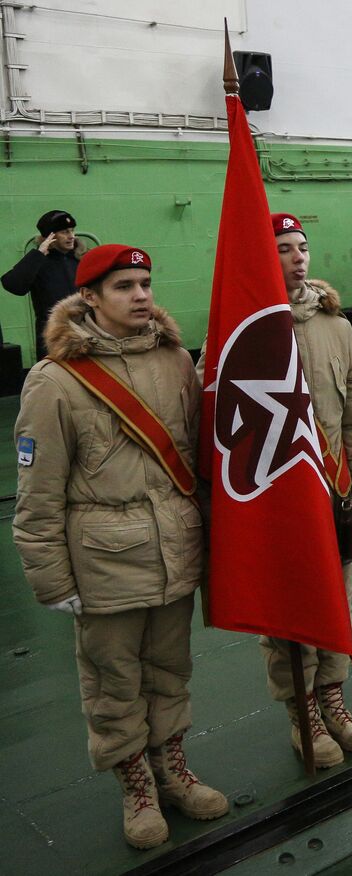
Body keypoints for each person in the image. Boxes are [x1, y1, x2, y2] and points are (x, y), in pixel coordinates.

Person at [13, 244, 227, 849]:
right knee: (113, 683)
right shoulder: (54, 381)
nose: (141, 296)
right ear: (89, 298)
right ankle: (136, 783)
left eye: (146, 284)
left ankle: (172, 770)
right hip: (103, 558)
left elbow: (197, 454)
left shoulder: (173, 362)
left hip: (175, 548)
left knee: (170, 671)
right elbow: (38, 493)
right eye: (125, 286)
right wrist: (52, 580)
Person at [260, 214, 352, 767]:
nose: (297, 256)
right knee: (289, 610)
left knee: (337, 600)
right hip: (278, 496)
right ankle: (301, 708)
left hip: (333, 490)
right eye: (283, 248)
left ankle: (333, 696)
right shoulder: (244, 325)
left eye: (302, 247)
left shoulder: (335, 326)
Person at [4, 209, 81, 360]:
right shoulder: (38, 262)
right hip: (53, 338)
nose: (71, 236)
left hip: (84, 334)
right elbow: (13, 285)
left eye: (72, 230)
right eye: (65, 232)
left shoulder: (80, 260)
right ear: (50, 236)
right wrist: (38, 254)